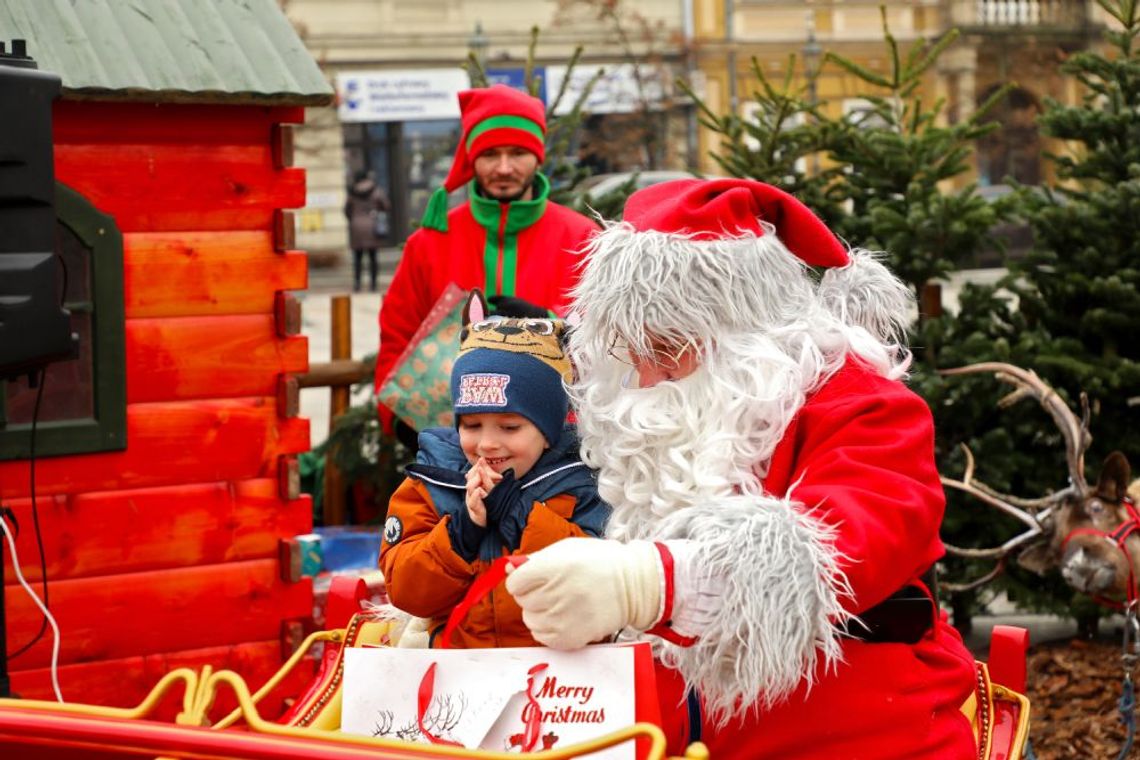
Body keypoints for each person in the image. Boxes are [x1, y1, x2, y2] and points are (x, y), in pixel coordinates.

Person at [503, 179, 979, 758]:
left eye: (670, 345)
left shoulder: (864, 406)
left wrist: (647, 584)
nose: (646, 376)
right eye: (630, 349)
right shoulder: (632, 417)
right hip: (657, 732)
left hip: (853, 731)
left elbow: (847, 545)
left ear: (745, 331)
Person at [379, 291, 609, 648]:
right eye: (471, 425)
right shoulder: (432, 482)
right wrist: (459, 537)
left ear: (547, 429)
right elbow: (406, 591)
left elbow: (600, 582)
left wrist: (523, 518)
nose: (487, 443)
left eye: (510, 427)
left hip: (561, 685)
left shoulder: (585, 481)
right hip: (460, 678)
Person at [374, 84, 598, 438]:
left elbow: (606, 339)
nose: (504, 167)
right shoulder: (430, 243)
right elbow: (396, 336)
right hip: (450, 436)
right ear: (471, 158)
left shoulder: (582, 238)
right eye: (491, 154)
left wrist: (550, 322)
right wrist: (397, 420)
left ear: (538, 157)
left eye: (518, 153)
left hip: (560, 438)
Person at [344, 170, 391, 292]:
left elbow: (346, 210)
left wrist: (353, 219)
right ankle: (373, 285)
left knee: (357, 258)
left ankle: (357, 284)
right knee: (373, 257)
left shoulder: (352, 192)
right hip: (372, 226)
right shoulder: (376, 190)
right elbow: (386, 206)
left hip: (356, 227)